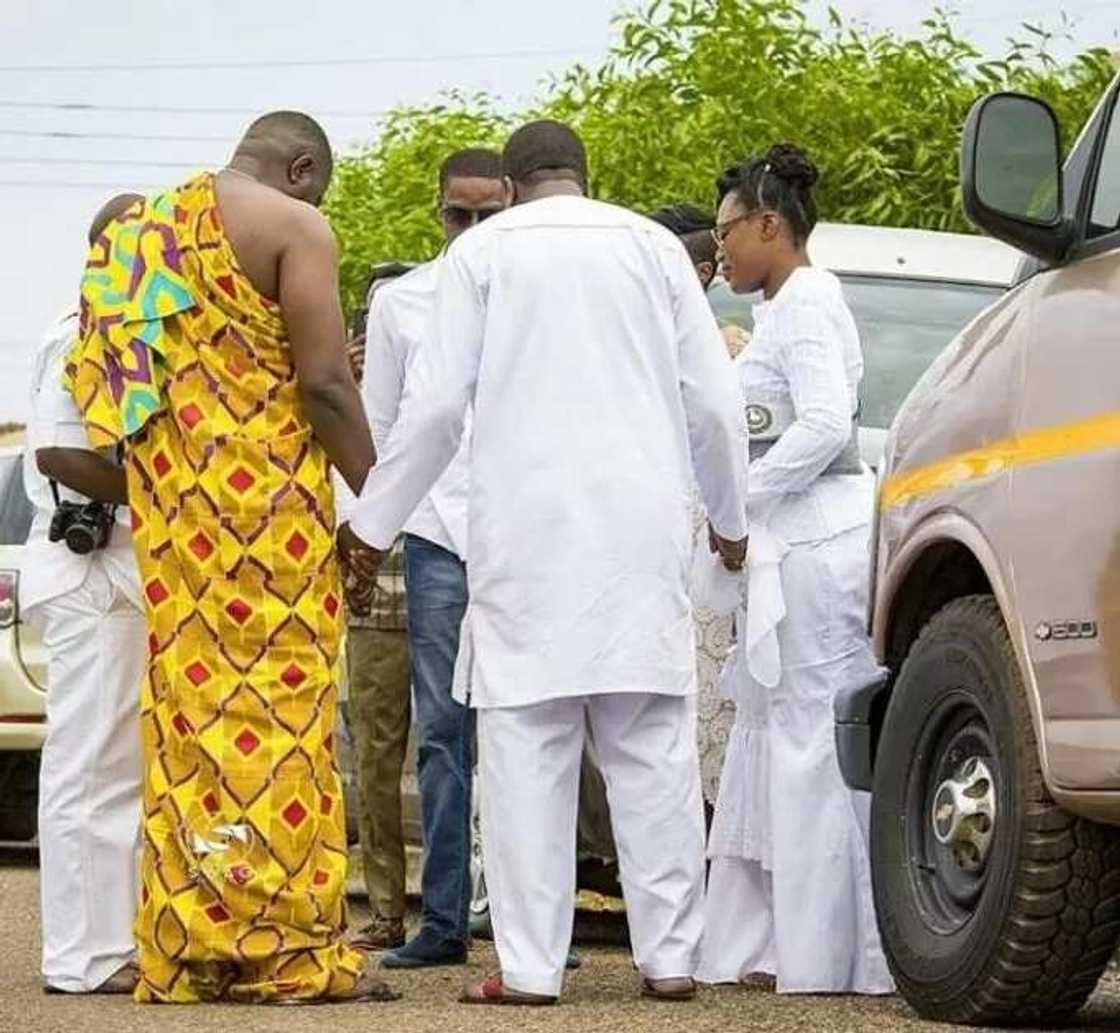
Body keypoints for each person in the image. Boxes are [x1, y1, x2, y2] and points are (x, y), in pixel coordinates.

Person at [344, 120, 748, 1006]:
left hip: (525, 535)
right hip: (639, 532)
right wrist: (731, 520)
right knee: (652, 748)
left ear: (515, 184)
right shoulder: (651, 247)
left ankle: (528, 969)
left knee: (526, 746)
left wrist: (370, 525)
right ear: (584, 177)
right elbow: (716, 405)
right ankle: (670, 959)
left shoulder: (481, 258)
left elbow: (438, 406)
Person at [65, 111, 396, 1004]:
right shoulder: (296, 227)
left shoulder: (139, 232)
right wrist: (386, 496)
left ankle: (190, 944)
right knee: (284, 734)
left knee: (190, 731)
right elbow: (326, 382)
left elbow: (113, 396)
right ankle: (287, 952)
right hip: (274, 533)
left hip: (176, 528)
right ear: (300, 168)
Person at [697, 144, 893, 995]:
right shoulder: (783, 307)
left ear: (769, 224)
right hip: (791, 547)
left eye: (727, 231)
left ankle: (838, 952)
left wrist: (744, 504)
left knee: (816, 741)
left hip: (817, 546)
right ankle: (779, 943)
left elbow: (822, 425)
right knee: (781, 738)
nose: (722, 249)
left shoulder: (809, 300)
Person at [359, 148, 506, 970]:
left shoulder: (538, 295)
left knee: (533, 726)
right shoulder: (401, 303)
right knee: (444, 734)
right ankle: (444, 922)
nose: (475, 231)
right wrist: (370, 531)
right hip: (439, 540)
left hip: (527, 532)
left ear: (513, 205)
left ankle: (530, 921)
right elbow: (380, 429)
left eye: (490, 215)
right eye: (461, 215)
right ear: (439, 213)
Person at [24, 195, 148, 996]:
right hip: (89, 577)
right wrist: (177, 485)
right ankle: (78, 956)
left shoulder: (128, 333)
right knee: (84, 768)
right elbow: (55, 454)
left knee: (117, 772)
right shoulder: (79, 333)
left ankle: (110, 944)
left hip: (118, 579)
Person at [649, 204, 748, 816]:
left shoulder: (731, 350)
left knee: (709, 715)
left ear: (703, 272)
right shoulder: (621, 344)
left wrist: (730, 528)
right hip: (643, 547)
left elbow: (728, 442)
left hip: (706, 548)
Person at [337, 263, 413, 953]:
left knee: (466, 757)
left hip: (443, 580)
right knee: (376, 760)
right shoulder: (343, 397)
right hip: (369, 592)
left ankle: (469, 904)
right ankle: (387, 909)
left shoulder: (436, 379)